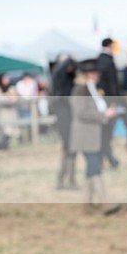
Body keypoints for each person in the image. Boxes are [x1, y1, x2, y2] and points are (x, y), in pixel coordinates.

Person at [69, 59, 120, 215]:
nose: (98, 74)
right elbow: (81, 112)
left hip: (95, 134)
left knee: (92, 169)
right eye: (94, 72)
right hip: (85, 134)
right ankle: (104, 202)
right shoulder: (79, 90)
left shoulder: (92, 88)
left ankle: (87, 205)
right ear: (87, 74)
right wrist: (103, 114)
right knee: (94, 167)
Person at [51, 54, 78, 189]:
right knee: (68, 149)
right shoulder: (58, 77)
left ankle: (68, 179)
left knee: (70, 150)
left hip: (70, 118)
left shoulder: (69, 79)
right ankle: (64, 179)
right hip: (64, 119)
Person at [97, 37, 120, 168]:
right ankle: (110, 160)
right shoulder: (108, 61)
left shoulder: (100, 59)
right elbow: (111, 83)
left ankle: (110, 160)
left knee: (104, 135)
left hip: (102, 101)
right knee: (106, 135)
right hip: (108, 102)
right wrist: (113, 102)